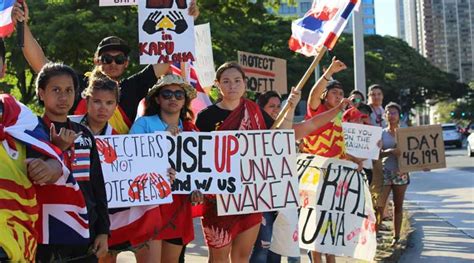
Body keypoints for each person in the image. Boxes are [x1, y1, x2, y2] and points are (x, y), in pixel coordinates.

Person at [12, 0, 199, 133]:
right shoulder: (77, 84)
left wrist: (186, 19)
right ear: (96, 60)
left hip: (118, 169)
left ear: (126, 63)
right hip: (79, 165)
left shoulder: (131, 88)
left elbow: (166, 56)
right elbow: (41, 64)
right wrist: (22, 25)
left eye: (119, 59)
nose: (112, 63)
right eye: (106, 58)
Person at [34, 62, 110, 262]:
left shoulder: (84, 133)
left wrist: (103, 231)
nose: (63, 97)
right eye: (55, 90)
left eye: (69, 90)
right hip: (45, 235)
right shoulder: (30, 133)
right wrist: (58, 150)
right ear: (41, 93)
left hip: (85, 233)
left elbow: (97, 185)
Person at [0, 41, 66, 262]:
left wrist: (49, 167)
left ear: (3, 69)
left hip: (13, 237)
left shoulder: (20, 117)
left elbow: (54, 162)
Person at [129, 74, 203, 263]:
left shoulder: (192, 130)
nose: (173, 98)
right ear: (157, 98)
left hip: (178, 207)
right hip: (148, 206)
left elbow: (198, 170)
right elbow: (130, 159)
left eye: (179, 95)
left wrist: (196, 189)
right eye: (167, 94)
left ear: (185, 100)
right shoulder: (143, 124)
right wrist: (162, 138)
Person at [301, 57, 363, 263]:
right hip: (315, 177)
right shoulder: (317, 111)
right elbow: (313, 94)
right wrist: (328, 73)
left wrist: (354, 159)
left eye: (341, 94)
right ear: (325, 96)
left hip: (336, 180)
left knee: (332, 223)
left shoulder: (342, 117)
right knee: (316, 225)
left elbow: (340, 148)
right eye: (334, 93)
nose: (339, 96)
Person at [376, 102, 409, 247]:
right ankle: (375, 235)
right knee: (379, 206)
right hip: (385, 173)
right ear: (385, 116)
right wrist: (389, 152)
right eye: (388, 112)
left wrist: (424, 165)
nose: (391, 115)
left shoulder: (406, 133)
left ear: (399, 116)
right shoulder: (380, 134)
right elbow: (375, 154)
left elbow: (414, 154)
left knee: (398, 206)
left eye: (394, 112)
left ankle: (396, 237)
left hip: (401, 173)